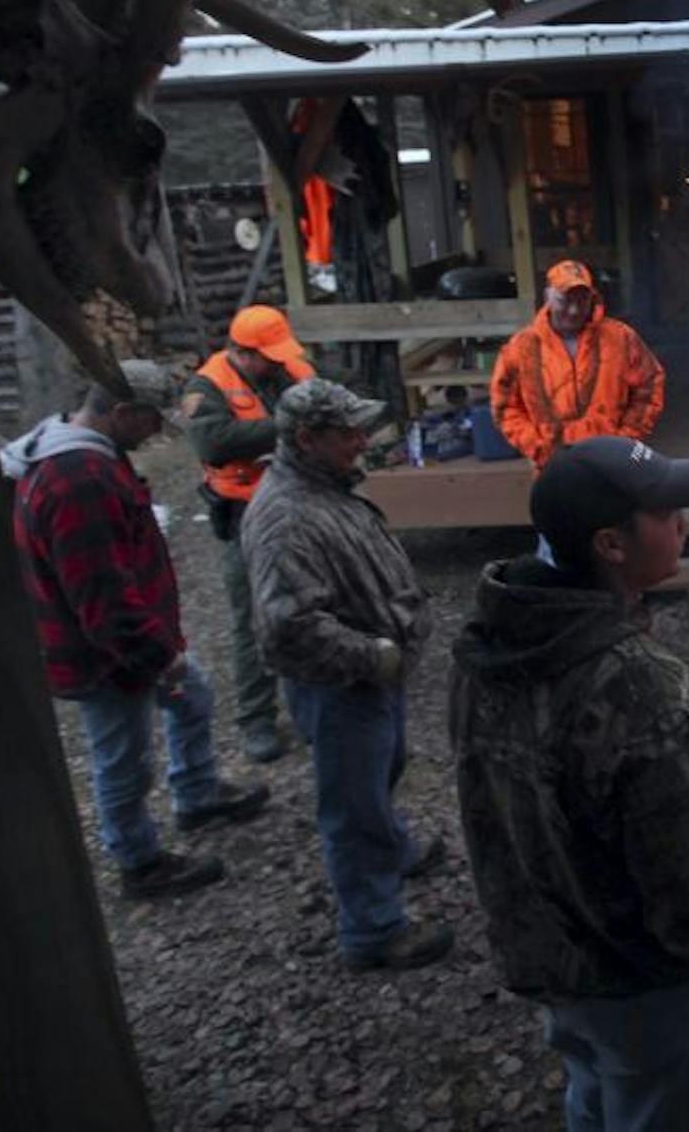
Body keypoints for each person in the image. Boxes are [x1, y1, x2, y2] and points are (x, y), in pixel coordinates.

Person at [451, 437, 689, 1132]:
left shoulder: (485, 646)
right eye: (664, 513)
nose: (683, 523)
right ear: (611, 544)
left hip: (550, 957)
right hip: (642, 984)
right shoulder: (648, 691)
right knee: (654, 1104)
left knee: (593, 1088)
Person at [5, 360, 270, 898]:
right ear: (122, 412)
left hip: (132, 639)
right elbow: (99, 592)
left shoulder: (88, 455)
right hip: (106, 656)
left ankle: (196, 796)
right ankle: (139, 863)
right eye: (153, 422)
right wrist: (154, 655)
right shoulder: (80, 479)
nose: (158, 435)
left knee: (192, 697)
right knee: (122, 759)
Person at [241, 378, 450, 971]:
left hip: (371, 677)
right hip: (340, 686)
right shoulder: (286, 516)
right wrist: (372, 656)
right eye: (347, 432)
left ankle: (395, 849)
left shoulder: (324, 487)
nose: (363, 438)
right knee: (352, 807)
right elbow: (289, 629)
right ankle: (373, 929)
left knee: (382, 770)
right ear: (306, 439)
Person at [183, 304, 316, 763]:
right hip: (246, 513)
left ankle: (309, 712)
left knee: (308, 605)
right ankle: (256, 719)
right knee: (252, 617)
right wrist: (286, 426)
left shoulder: (291, 368)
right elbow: (213, 443)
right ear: (243, 352)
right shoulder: (208, 384)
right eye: (268, 355)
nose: (278, 362)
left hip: (300, 502)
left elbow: (323, 403)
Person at [491, 260, 667, 468]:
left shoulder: (621, 339)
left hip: (613, 465)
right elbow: (505, 407)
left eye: (582, 300)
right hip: (553, 468)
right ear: (548, 295)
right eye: (565, 300)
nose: (574, 310)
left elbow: (650, 385)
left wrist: (626, 441)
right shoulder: (521, 348)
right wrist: (538, 448)